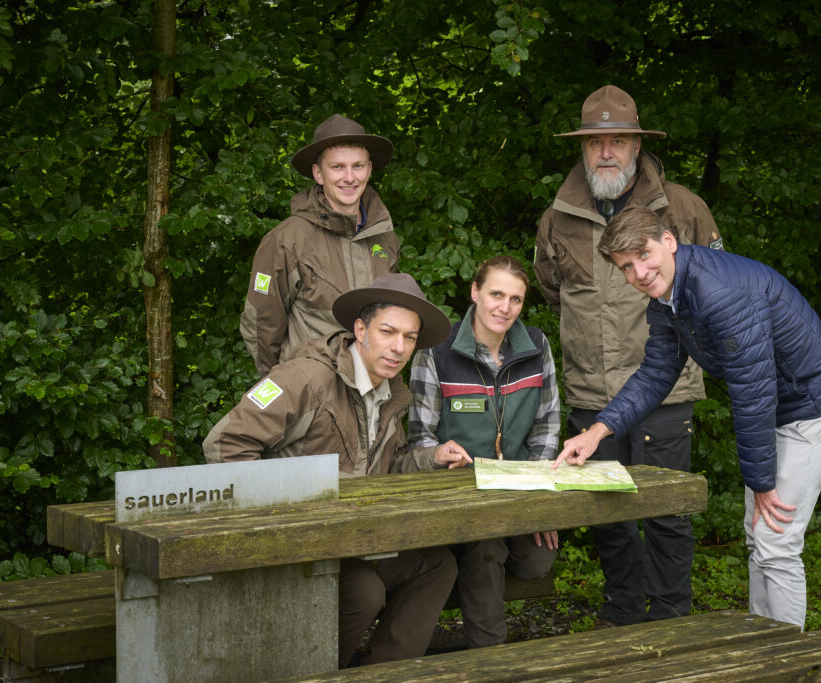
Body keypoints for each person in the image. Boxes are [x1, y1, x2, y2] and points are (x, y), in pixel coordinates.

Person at [555, 206, 821, 629]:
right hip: (777, 410)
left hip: (813, 410)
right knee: (759, 538)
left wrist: (762, 483)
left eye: (644, 254)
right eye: (626, 266)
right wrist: (598, 431)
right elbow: (656, 374)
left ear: (669, 242)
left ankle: (788, 660)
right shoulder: (667, 300)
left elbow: (753, 394)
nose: (639, 271)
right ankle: (763, 644)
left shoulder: (719, 293)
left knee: (777, 542)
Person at [205, 272, 471, 667]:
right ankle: (313, 671)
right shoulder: (303, 378)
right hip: (297, 545)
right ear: (360, 330)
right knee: (363, 592)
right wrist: (290, 516)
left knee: (437, 565)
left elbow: (389, 466)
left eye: (410, 338)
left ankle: (379, 671)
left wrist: (430, 459)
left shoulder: (391, 392)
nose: (399, 347)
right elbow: (224, 445)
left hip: (355, 539)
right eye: (388, 331)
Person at [534, 84, 723, 626]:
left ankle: (669, 618)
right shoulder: (557, 216)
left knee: (666, 516)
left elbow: (715, 290)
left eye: (619, 140)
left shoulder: (683, 208)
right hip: (592, 395)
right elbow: (552, 290)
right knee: (605, 517)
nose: (607, 151)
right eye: (596, 143)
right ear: (583, 149)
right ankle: (622, 614)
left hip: (665, 391)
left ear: (638, 144)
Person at [407, 256, 561, 648]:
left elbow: (546, 427)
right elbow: (420, 436)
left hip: (519, 492)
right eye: (495, 294)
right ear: (475, 292)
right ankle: (490, 656)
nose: (504, 308)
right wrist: (442, 455)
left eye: (515, 299)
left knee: (536, 561)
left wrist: (540, 498)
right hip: (459, 495)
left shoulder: (537, 346)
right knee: (486, 544)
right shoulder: (437, 351)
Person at [241, 114, 400, 376]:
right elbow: (260, 325)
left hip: (376, 392)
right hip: (314, 397)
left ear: (369, 169)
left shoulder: (384, 237)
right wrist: (286, 385)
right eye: (337, 167)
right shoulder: (286, 240)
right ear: (318, 173)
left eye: (357, 166)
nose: (349, 177)